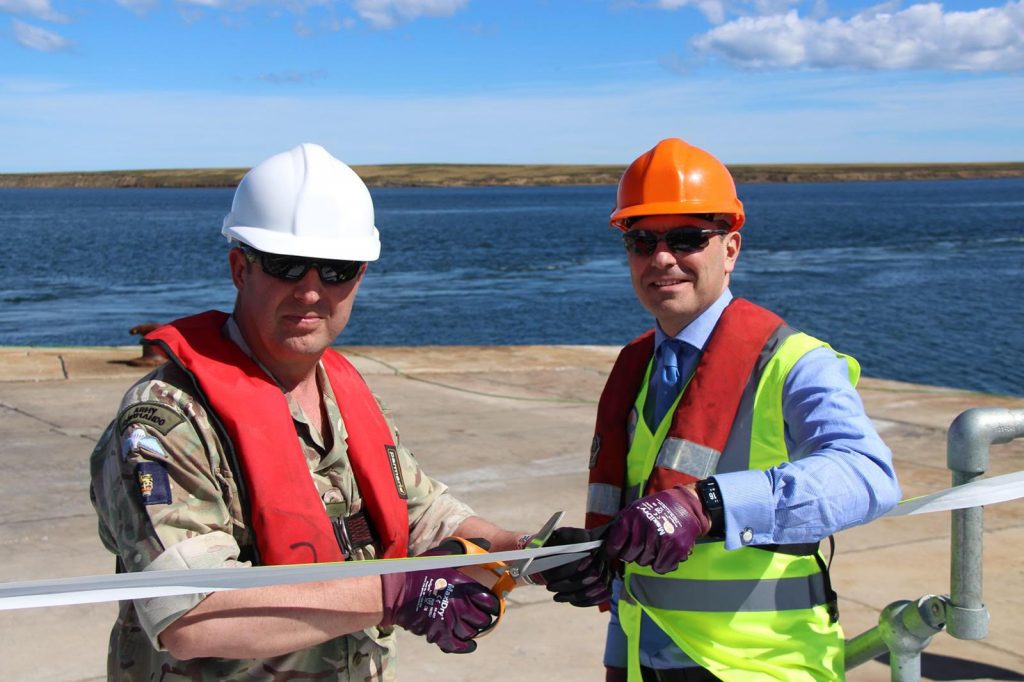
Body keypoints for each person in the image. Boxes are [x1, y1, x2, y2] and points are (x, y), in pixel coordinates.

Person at [88, 143, 545, 681]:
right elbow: (191, 618)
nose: (310, 291)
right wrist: (396, 592)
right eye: (286, 266)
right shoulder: (167, 422)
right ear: (241, 268)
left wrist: (532, 553)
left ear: (360, 277)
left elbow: (425, 515)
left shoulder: (345, 395)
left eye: (336, 270)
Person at [585, 138, 902, 681]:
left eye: (687, 238)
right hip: (646, 658)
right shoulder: (635, 370)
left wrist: (709, 504)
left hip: (760, 667)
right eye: (642, 241)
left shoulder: (795, 363)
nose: (662, 258)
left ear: (730, 249)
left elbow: (867, 475)